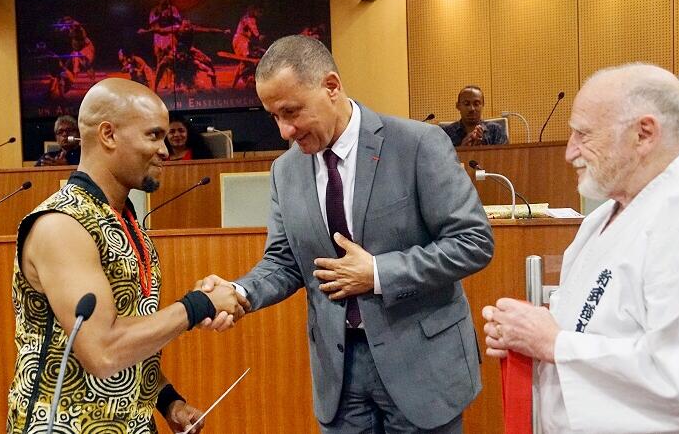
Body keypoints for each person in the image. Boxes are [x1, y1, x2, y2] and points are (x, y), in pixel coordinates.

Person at [202, 35, 494, 433]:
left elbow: (472, 242)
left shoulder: (418, 144)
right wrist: (240, 293)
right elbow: (285, 262)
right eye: (273, 116)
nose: (284, 130)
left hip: (421, 365)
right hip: (340, 375)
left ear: (332, 87)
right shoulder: (285, 171)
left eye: (291, 111)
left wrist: (377, 273)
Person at [483, 63, 679, 433]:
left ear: (643, 134)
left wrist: (553, 343)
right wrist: (523, 333)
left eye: (583, 135)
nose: (570, 153)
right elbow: (588, 325)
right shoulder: (598, 222)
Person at [7, 78, 248, 432]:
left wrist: (167, 400)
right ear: (108, 135)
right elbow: (103, 350)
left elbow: (131, 328)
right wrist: (199, 305)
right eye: (153, 135)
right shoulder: (61, 225)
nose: (165, 150)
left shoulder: (124, 219)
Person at [442, 85, 507, 146]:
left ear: (483, 105)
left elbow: (505, 156)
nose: (472, 109)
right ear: (458, 106)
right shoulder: (446, 133)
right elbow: (441, 157)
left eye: (476, 104)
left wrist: (482, 148)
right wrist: (462, 150)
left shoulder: (496, 130)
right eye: (466, 104)